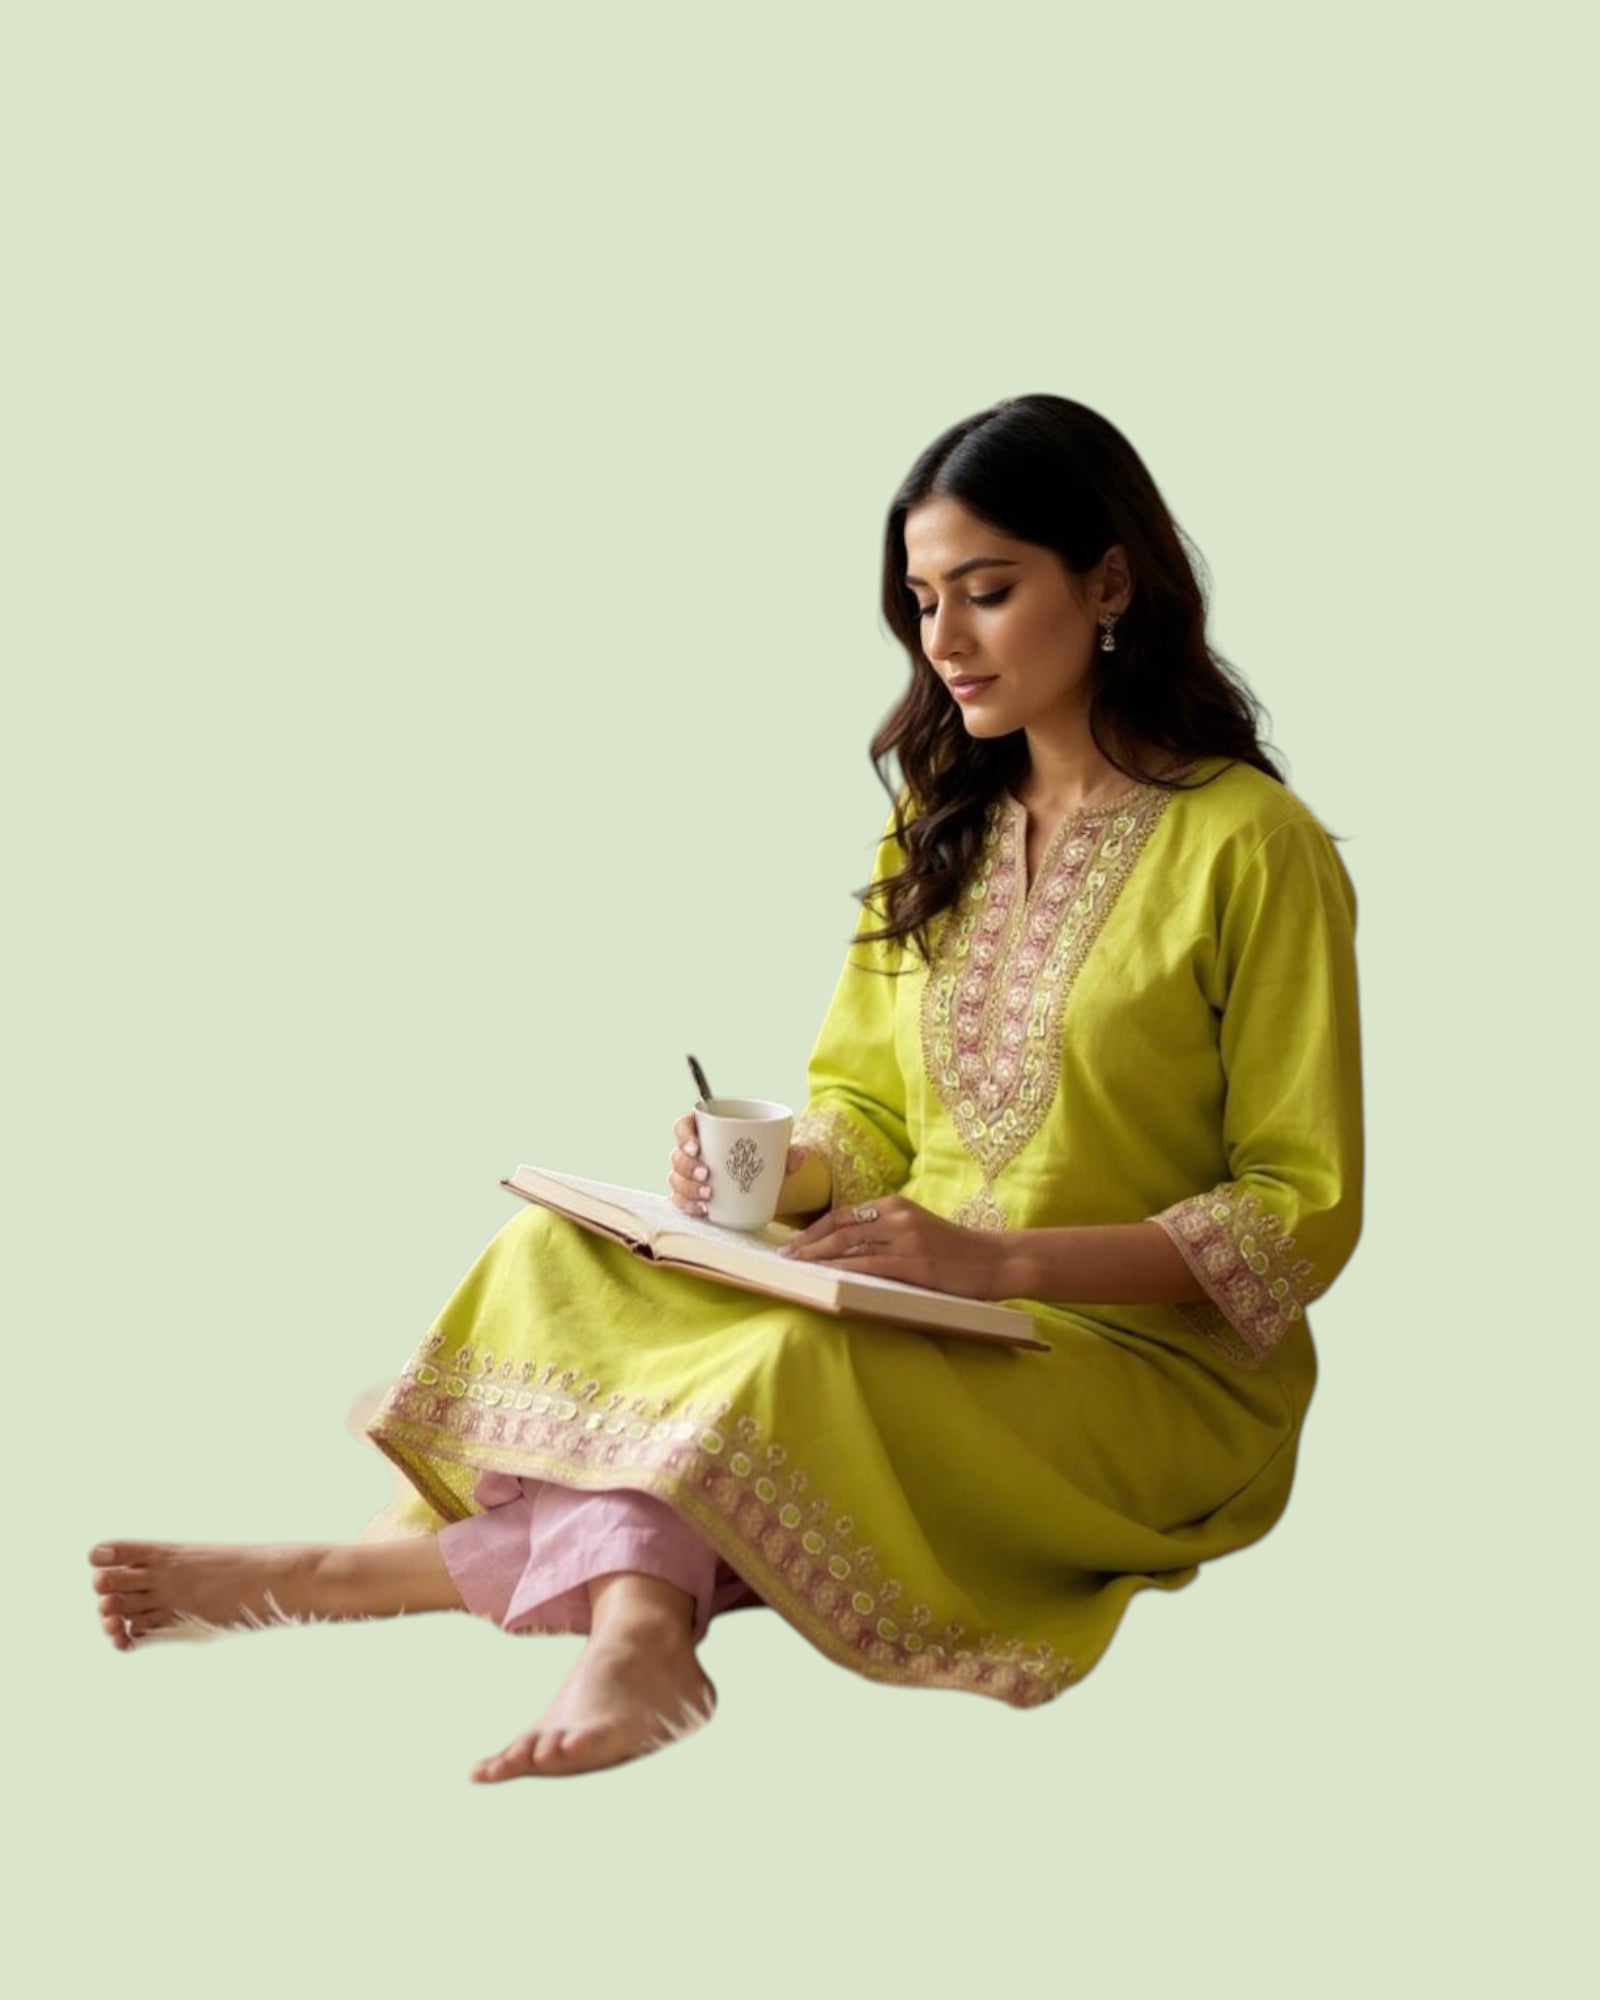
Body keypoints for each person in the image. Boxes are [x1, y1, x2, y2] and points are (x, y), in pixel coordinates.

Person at [87, 393, 1364, 1783]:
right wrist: (778, 1176)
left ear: (1109, 580)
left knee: (782, 1368)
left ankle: (388, 1581)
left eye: (986, 594)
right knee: (555, 1253)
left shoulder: (1255, 845)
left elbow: (1299, 1212)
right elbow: (869, 1116)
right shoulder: (942, 828)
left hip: (1137, 1374)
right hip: (926, 1305)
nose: (942, 642)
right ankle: (632, 1628)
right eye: (922, 600)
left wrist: (1000, 1263)